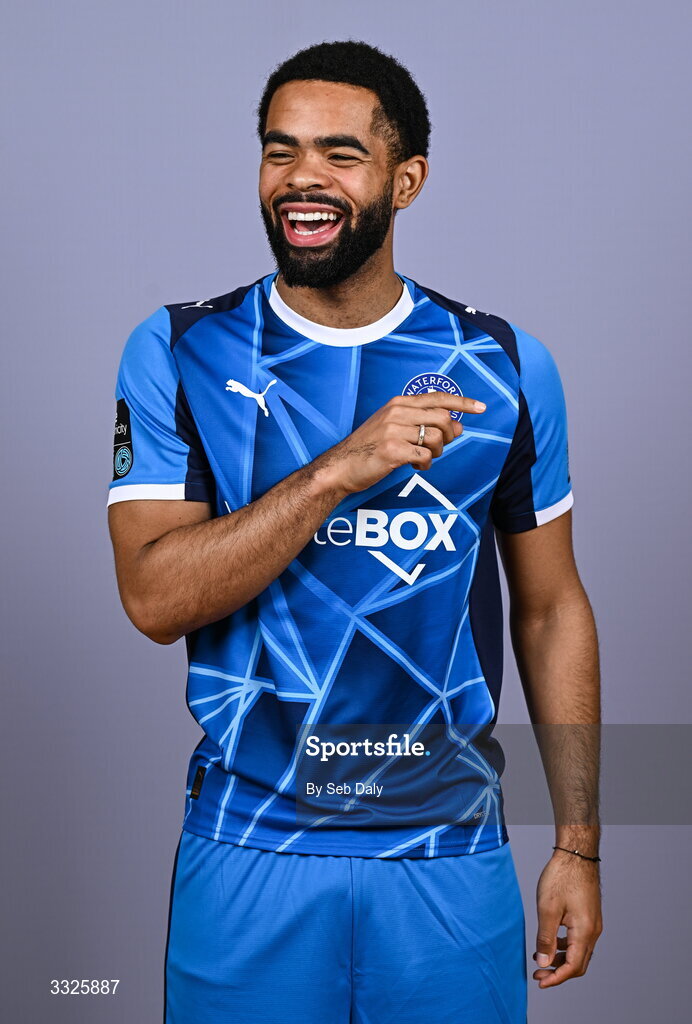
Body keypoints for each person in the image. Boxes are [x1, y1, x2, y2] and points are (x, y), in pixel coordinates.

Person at [107, 39, 602, 1024]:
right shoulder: (177, 348)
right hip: (248, 847)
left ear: (404, 179)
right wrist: (341, 466)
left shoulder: (501, 361)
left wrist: (578, 846)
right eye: (278, 150)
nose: (301, 178)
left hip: (448, 855)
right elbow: (153, 601)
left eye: (338, 154)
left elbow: (550, 612)